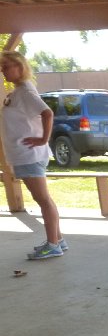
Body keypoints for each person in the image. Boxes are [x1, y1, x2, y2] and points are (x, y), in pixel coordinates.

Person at [0, 51, 66, 260]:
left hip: (30, 155)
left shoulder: (26, 92)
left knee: (43, 200)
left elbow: (47, 113)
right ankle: (58, 240)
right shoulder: (19, 91)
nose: (3, 70)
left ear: (19, 67)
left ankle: (53, 245)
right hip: (24, 155)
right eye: (2, 67)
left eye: (6, 66)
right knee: (44, 199)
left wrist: (43, 139)